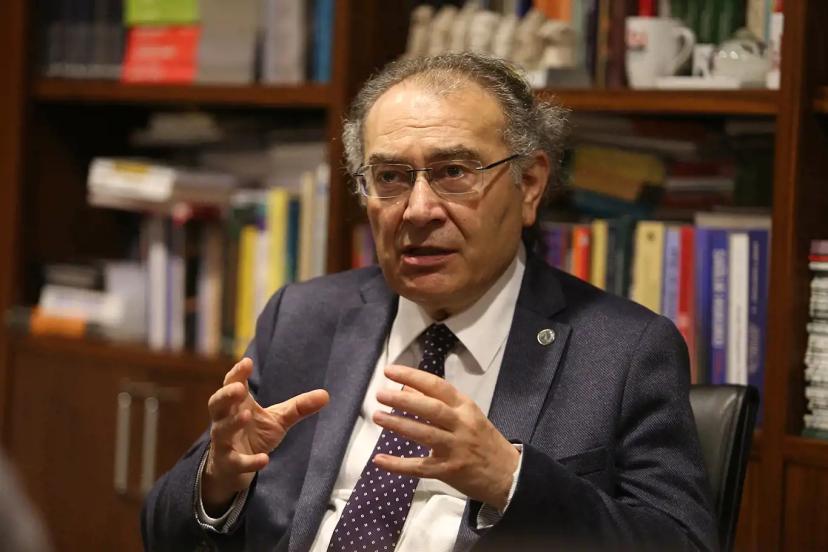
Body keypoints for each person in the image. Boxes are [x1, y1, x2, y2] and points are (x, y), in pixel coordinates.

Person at [142, 53, 717, 552]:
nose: (418, 210)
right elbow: (160, 533)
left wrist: (511, 481)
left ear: (530, 184)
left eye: (454, 172)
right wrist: (219, 480)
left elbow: (681, 542)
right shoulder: (303, 317)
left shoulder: (622, 352)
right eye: (391, 177)